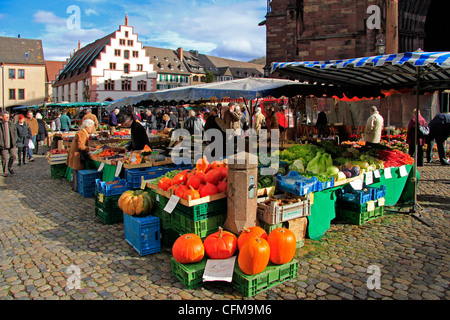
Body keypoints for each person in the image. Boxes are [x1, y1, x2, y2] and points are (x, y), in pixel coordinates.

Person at [67, 119, 96, 192]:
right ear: (87, 127)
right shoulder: (82, 133)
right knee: (77, 172)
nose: (91, 129)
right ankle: (76, 188)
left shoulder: (83, 132)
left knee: (76, 172)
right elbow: (81, 146)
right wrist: (90, 149)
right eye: (91, 127)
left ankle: (75, 187)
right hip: (77, 155)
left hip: (76, 154)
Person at [0, 111, 18, 177]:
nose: (7, 118)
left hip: (11, 143)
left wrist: (15, 140)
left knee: (14, 156)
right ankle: (5, 171)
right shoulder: (0, 124)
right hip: (2, 144)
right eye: (6, 117)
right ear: (2, 117)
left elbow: (15, 132)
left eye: (8, 117)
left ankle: (10, 167)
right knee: (5, 158)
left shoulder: (11, 123)